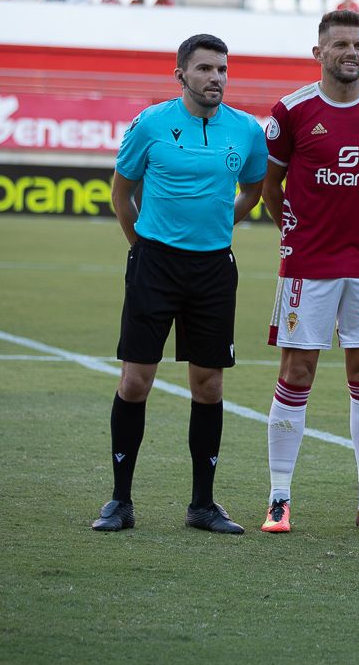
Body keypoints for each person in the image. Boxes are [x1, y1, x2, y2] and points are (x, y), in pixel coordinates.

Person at [91, 34, 268, 535]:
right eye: (206, 69)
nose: (216, 78)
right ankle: (120, 501)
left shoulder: (246, 131)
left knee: (209, 385)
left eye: (222, 70)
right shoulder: (151, 124)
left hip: (213, 269)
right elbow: (122, 191)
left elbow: (254, 187)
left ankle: (203, 505)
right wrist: (141, 246)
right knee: (135, 381)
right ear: (182, 75)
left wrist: (221, 224)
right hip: (155, 265)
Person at [261, 10, 359, 535]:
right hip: (308, 265)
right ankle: (279, 497)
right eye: (340, 43)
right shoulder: (291, 111)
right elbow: (269, 189)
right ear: (318, 52)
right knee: (296, 373)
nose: (352, 52)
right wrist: (297, 232)